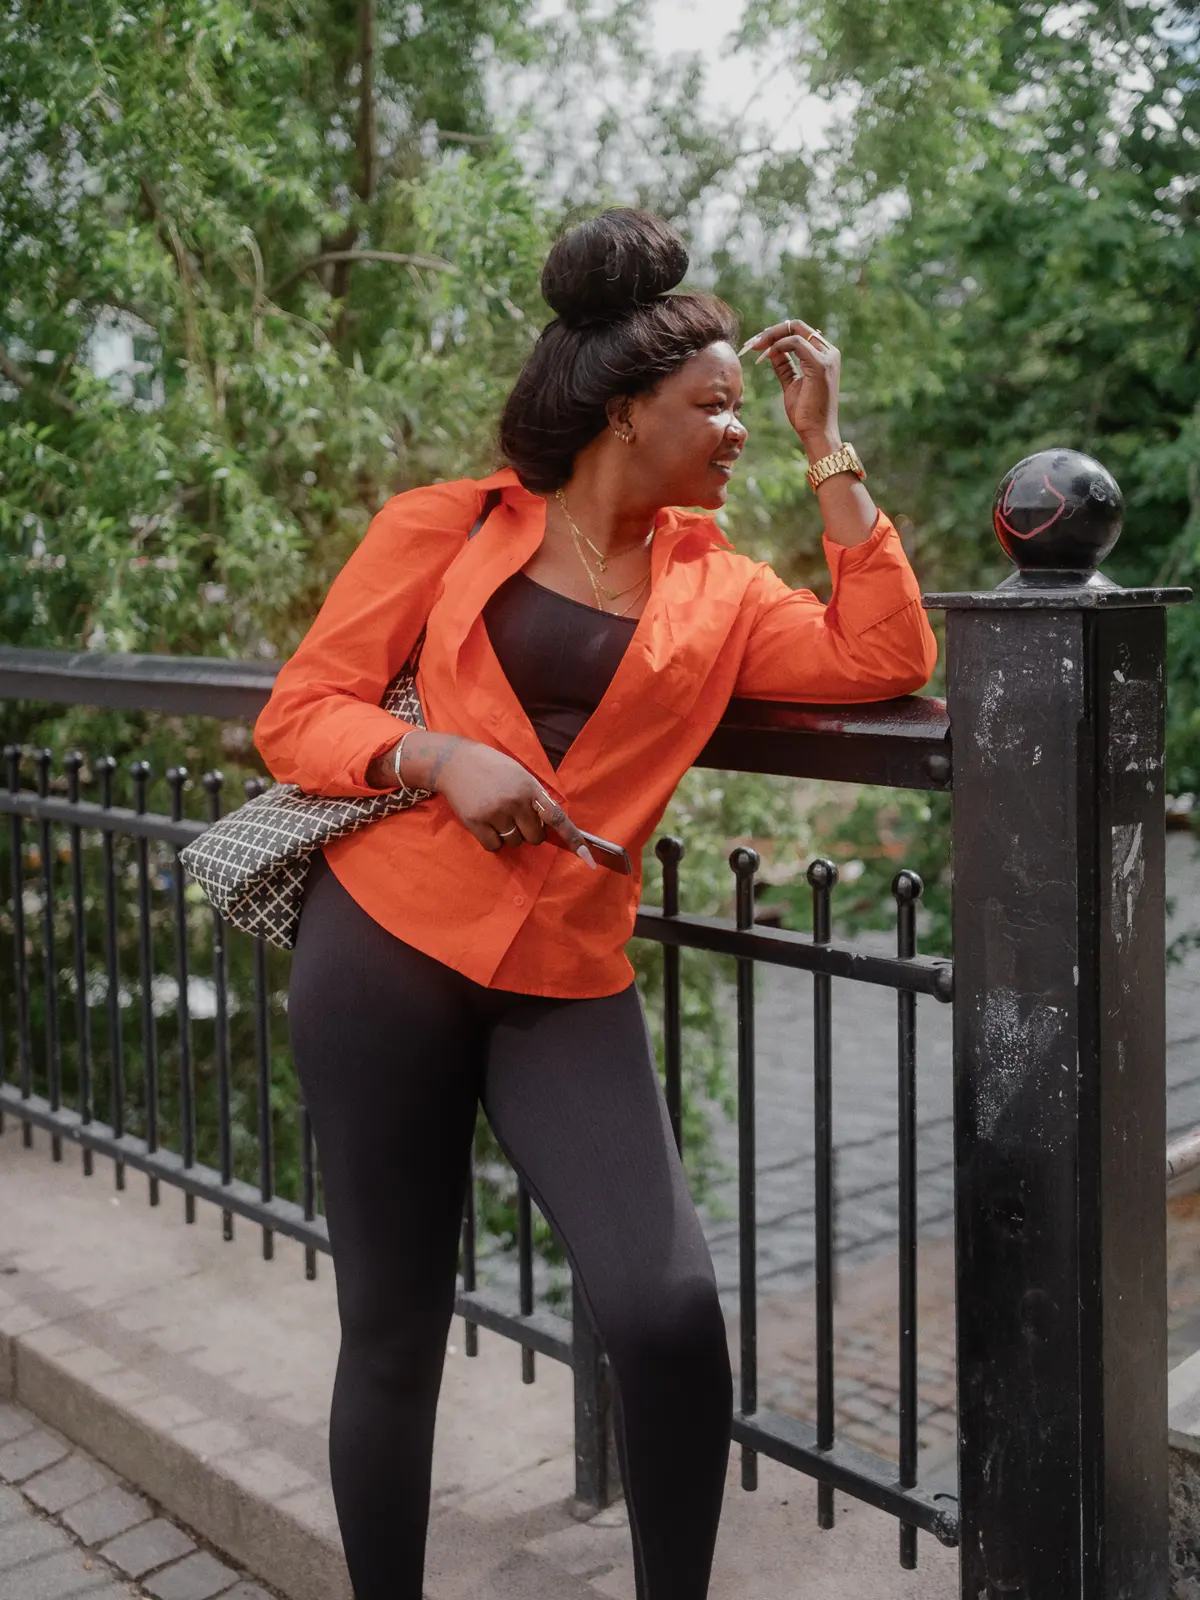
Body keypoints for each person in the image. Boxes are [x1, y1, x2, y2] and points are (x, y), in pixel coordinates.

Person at [253, 207, 937, 1600]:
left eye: (748, 409)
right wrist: (435, 754)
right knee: (394, 1327)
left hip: (565, 971)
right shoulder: (443, 529)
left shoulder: (728, 591)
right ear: (627, 416)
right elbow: (298, 713)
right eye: (719, 406)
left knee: (667, 1308)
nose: (737, 429)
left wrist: (829, 448)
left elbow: (886, 652)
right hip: (382, 946)